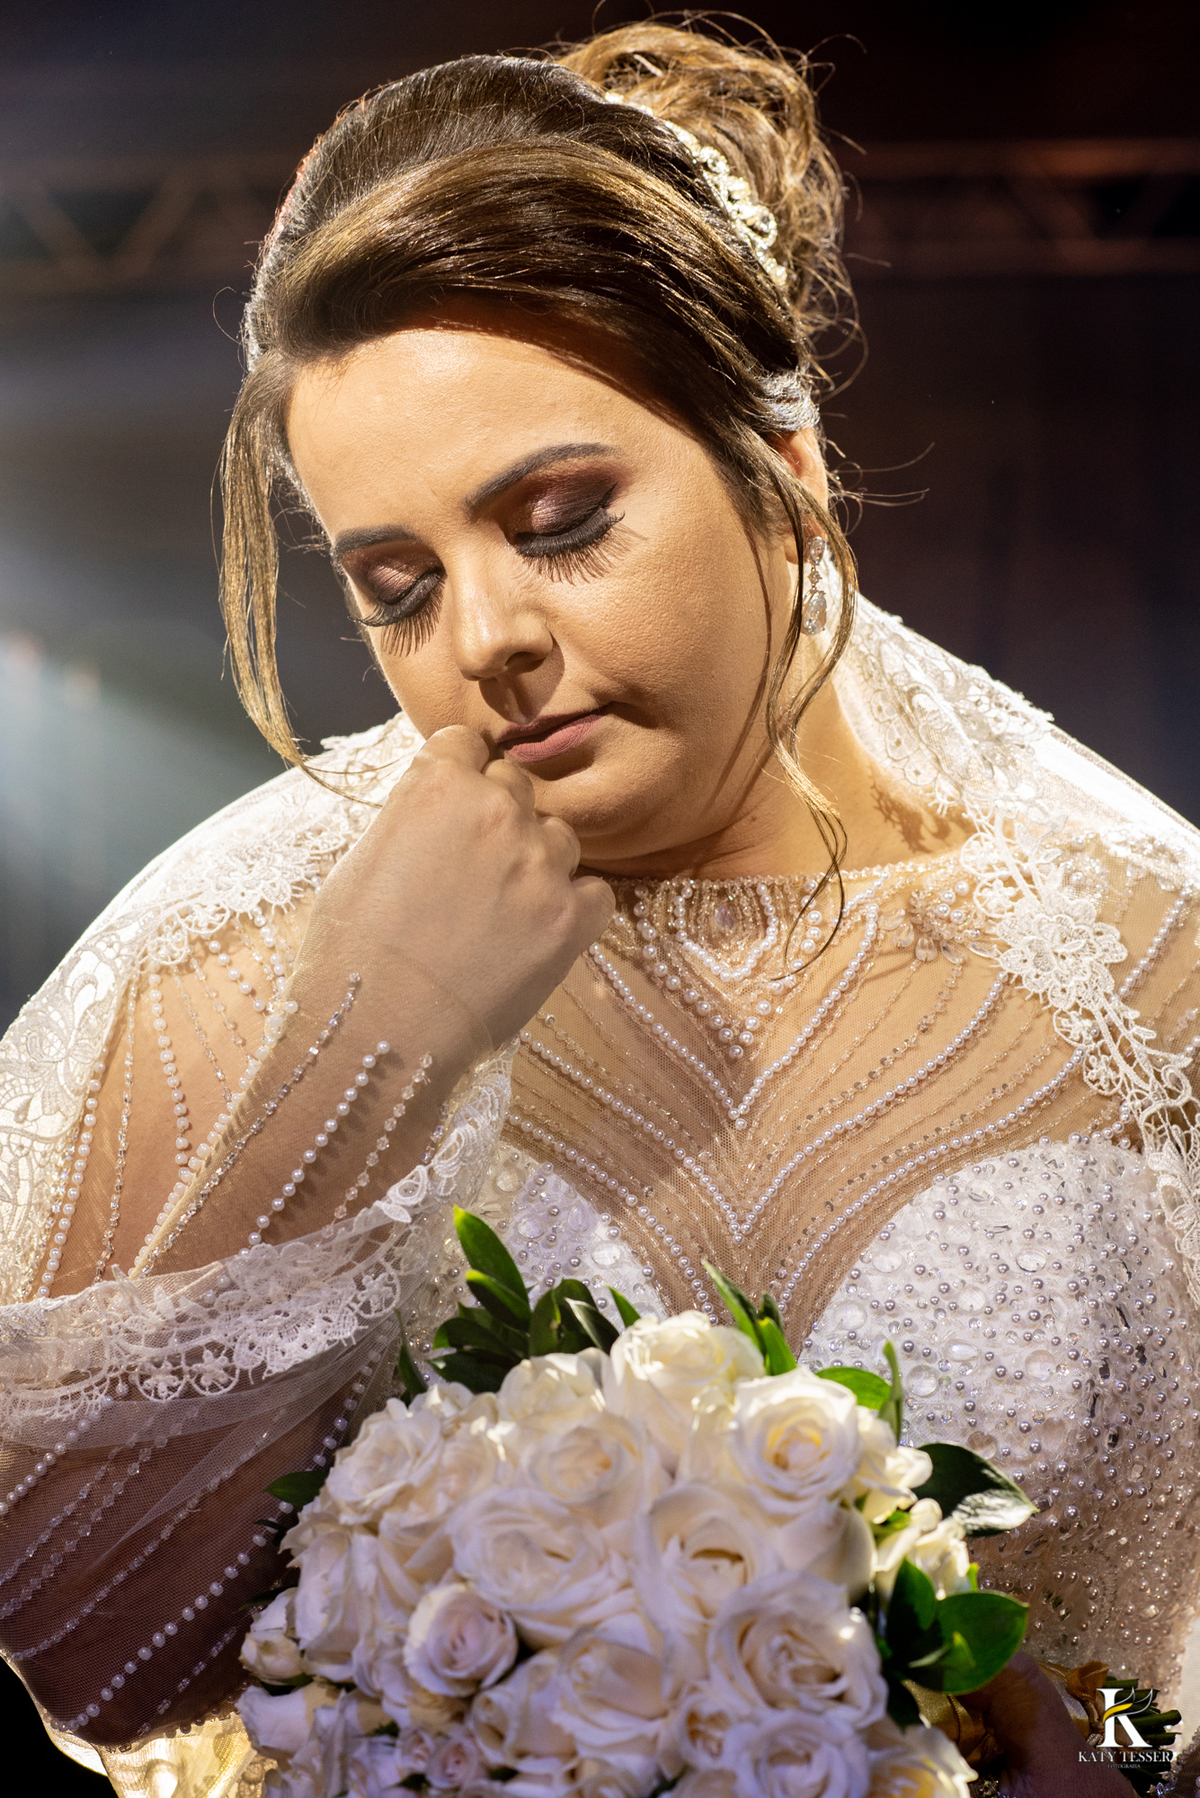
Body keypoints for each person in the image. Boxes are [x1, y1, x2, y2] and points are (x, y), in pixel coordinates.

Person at [0, 20, 1196, 1798]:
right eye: (399, 585)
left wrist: (1112, 1760)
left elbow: (1157, 1678)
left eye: (557, 520)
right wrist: (375, 1037)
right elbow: (89, 1652)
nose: (481, 637)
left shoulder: (1142, 966)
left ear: (782, 479)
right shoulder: (234, 967)